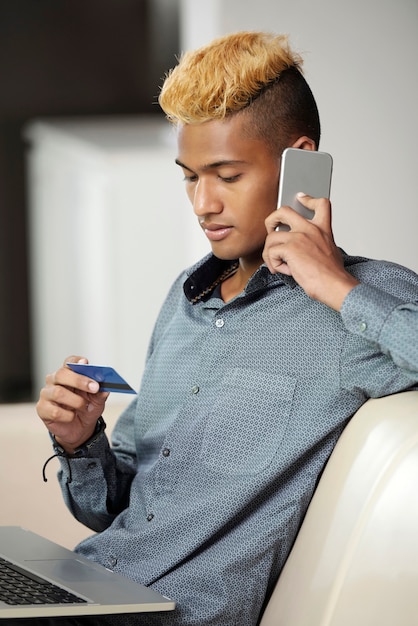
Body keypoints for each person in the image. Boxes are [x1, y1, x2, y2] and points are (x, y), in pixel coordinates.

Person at [32, 31, 418, 626]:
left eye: (226, 175)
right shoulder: (185, 299)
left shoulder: (355, 304)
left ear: (301, 165)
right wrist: (83, 443)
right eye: (189, 176)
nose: (202, 203)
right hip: (91, 588)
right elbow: (113, 512)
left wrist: (335, 286)